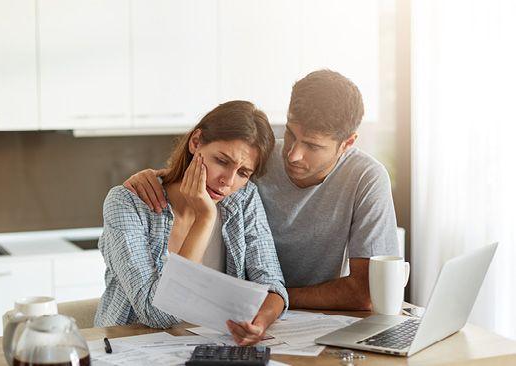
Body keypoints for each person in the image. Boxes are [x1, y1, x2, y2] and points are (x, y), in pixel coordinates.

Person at [124, 70, 400, 311]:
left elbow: (365, 294)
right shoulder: (259, 159)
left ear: (347, 143)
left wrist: (272, 298)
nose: (293, 155)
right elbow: (209, 175)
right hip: (243, 314)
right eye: (291, 133)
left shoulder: (366, 178)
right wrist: (157, 177)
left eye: (313, 146)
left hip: (279, 313)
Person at [94, 100, 288, 345]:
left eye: (242, 173)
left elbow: (272, 284)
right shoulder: (128, 204)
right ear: (196, 142)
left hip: (208, 347)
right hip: (132, 348)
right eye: (222, 161)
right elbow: (157, 314)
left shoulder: (244, 198)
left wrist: (260, 323)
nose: (227, 182)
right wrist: (205, 219)